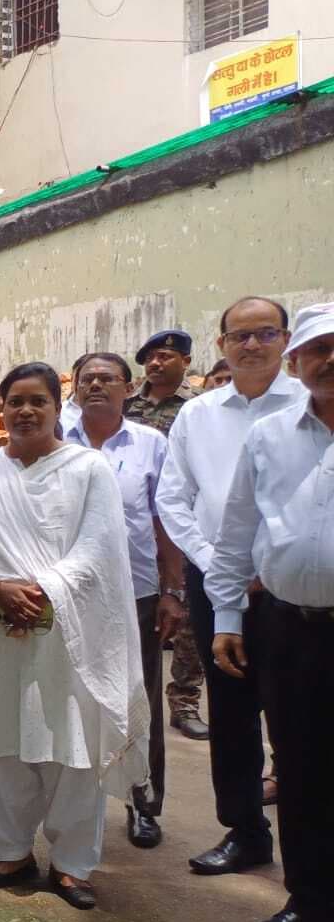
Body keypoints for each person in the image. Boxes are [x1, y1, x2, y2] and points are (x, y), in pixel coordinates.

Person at [0, 362, 150, 911]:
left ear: (59, 410)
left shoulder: (87, 469)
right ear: (1, 410)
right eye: (16, 401)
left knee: (70, 743)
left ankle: (72, 863)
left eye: (38, 401)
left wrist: (38, 591)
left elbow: (100, 546)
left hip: (68, 632)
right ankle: (10, 853)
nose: (27, 410)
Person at [156, 297, 305, 876]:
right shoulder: (200, 415)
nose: (250, 345)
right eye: (238, 336)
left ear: (285, 340)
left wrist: (269, 565)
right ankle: (244, 831)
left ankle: (309, 853)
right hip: (215, 580)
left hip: (288, 587)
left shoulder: (308, 407)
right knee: (232, 711)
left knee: (295, 714)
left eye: (264, 333)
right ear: (220, 346)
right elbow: (174, 496)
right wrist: (215, 562)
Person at [208, 303, 334, 922]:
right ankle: (311, 903)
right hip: (289, 628)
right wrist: (227, 615)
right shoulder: (271, 436)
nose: (330, 358)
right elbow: (236, 533)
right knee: (304, 771)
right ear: (298, 360)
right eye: (320, 348)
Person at [65, 353, 186, 851]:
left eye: (106, 378)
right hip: (68, 594)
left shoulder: (151, 445)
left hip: (135, 592)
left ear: (127, 387)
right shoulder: (54, 441)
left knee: (138, 700)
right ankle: (73, 802)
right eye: (87, 378)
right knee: (71, 697)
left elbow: (166, 522)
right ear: (73, 387)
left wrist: (172, 591)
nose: (96, 385)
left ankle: (143, 802)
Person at [126, 328, 208, 742]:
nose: (156, 364)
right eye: (151, 358)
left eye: (166, 357)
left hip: (183, 524)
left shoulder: (199, 409)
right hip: (137, 526)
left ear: (186, 363)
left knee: (187, 615)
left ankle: (185, 701)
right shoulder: (126, 405)